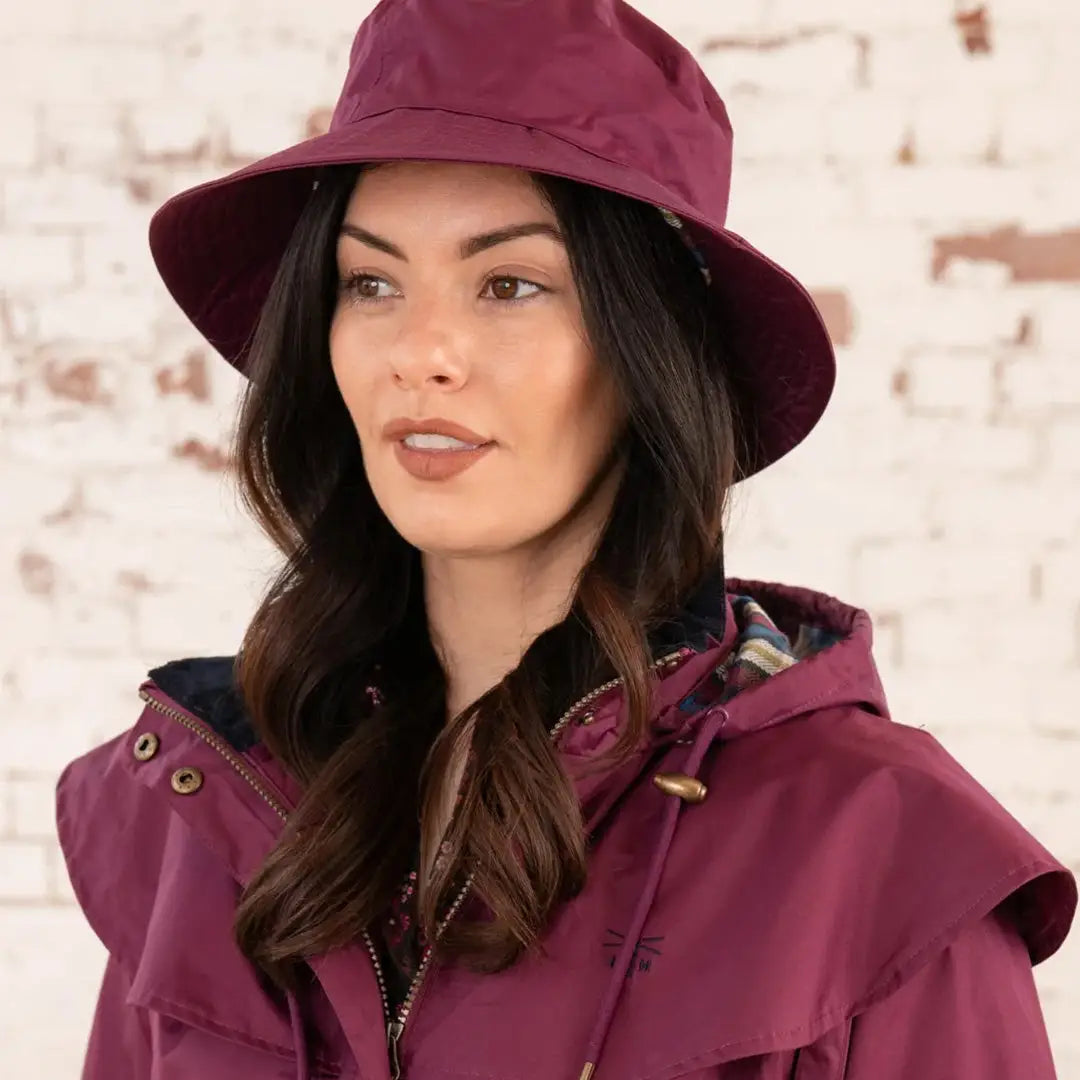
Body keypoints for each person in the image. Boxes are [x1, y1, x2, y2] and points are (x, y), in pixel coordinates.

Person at [55, 2, 1075, 1078]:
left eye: (510, 284)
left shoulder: (879, 857)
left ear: (650, 351)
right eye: (370, 282)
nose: (422, 350)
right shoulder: (203, 812)